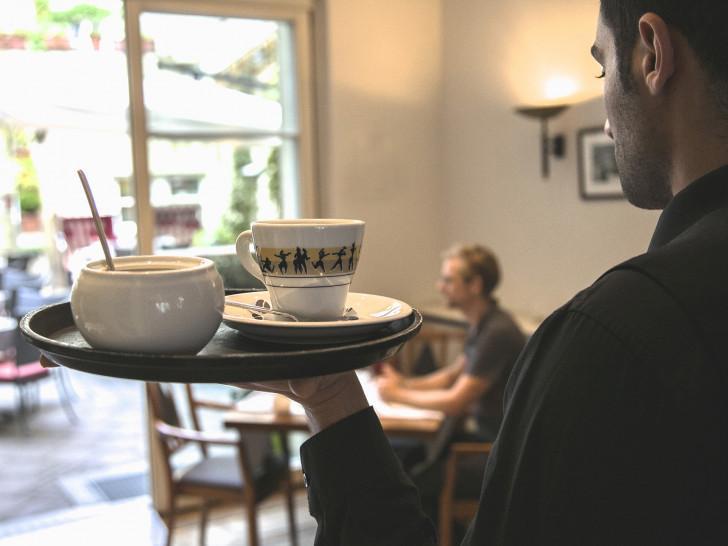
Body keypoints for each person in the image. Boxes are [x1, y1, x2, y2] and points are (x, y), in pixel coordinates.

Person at [235, 1, 728, 543]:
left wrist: (329, 396)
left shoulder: (611, 337)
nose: (606, 121)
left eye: (602, 67)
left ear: (653, 54)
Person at [376, 244, 525, 521]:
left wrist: (397, 395)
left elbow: (456, 402)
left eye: (448, 280)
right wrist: (405, 384)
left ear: (475, 285)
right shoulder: (483, 323)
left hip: (500, 454)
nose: (440, 286)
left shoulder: (497, 332)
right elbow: (451, 376)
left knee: (411, 487)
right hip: (486, 441)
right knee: (408, 461)